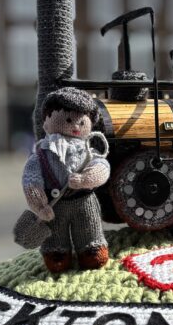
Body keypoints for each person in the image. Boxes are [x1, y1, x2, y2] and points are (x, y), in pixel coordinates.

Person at [21, 87, 110, 273]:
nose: (75, 126)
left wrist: (86, 179)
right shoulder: (42, 154)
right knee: (55, 234)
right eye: (68, 120)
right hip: (54, 206)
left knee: (89, 228)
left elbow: (102, 167)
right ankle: (57, 253)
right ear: (46, 122)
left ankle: (91, 249)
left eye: (81, 122)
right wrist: (40, 205)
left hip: (84, 201)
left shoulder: (88, 150)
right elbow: (31, 180)